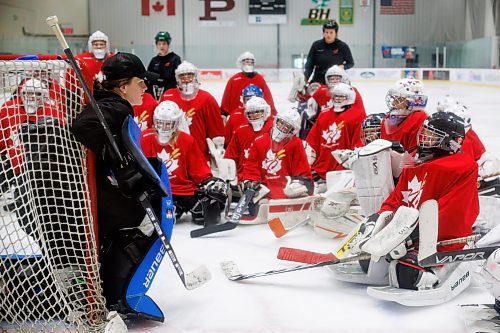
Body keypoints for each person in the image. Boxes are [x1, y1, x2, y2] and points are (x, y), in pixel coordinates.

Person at [71, 52, 162, 309]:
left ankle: (108, 287)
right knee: (144, 221)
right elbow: (82, 127)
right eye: (140, 82)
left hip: (93, 191)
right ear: (123, 86)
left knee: (133, 219)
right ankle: (115, 293)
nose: (145, 86)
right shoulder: (116, 106)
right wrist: (114, 156)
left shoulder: (112, 103)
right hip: (91, 195)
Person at [140, 100, 227, 225]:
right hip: (156, 190)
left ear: (176, 124)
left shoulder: (186, 140)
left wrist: (210, 182)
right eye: (160, 123)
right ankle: (173, 208)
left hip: (182, 190)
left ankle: (178, 206)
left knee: (204, 213)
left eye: (168, 124)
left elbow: (198, 169)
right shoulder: (144, 138)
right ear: (155, 121)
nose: (164, 128)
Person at [159, 61, 225, 164]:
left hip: (199, 155)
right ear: (177, 78)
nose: (186, 78)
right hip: (172, 155)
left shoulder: (206, 98)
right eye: (182, 75)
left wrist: (217, 150)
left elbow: (216, 130)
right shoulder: (168, 96)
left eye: (189, 75)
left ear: (195, 76)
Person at [240, 108, 313, 200]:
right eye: (281, 123)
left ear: (293, 130)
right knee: (260, 202)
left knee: (298, 190)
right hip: (265, 189)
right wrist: (250, 180)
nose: (282, 127)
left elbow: (302, 169)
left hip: (287, 189)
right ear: (276, 120)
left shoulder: (296, 143)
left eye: (287, 126)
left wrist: (299, 183)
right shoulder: (259, 141)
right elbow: (251, 167)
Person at [305, 82, 365, 181]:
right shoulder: (324, 115)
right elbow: (312, 142)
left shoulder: (357, 116)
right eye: (335, 96)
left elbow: (358, 144)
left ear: (349, 97)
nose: (337, 99)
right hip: (319, 170)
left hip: (343, 170)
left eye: (341, 96)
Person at [224, 96, 273, 178]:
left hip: (268, 179)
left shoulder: (273, 130)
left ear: (266, 111)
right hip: (244, 179)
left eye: (257, 111)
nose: (254, 115)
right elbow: (230, 157)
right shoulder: (240, 131)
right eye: (250, 113)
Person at [220, 51, 276, 117]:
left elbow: (267, 97)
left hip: (256, 114)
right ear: (241, 63)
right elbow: (226, 98)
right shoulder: (234, 80)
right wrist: (224, 113)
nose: (249, 64)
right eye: (246, 62)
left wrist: (272, 112)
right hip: (237, 115)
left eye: (251, 62)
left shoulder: (259, 79)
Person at [381, 77, 428, 155]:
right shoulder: (394, 118)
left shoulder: (418, 119)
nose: (393, 103)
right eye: (394, 99)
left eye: (398, 99)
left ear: (412, 101)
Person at [304, 20, 354, 85]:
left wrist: (343, 66)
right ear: (323, 33)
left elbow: (351, 63)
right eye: (326, 32)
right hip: (318, 82)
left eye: (331, 32)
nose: (328, 35)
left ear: (336, 33)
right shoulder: (316, 45)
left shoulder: (343, 46)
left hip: (336, 83)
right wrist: (305, 79)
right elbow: (309, 66)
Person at [147, 31, 182, 100]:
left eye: (164, 44)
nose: (161, 46)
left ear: (168, 44)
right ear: (156, 45)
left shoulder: (175, 59)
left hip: (170, 94)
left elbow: (179, 78)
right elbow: (148, 78)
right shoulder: (154, 60)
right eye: (159, 44)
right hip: (155, 94)